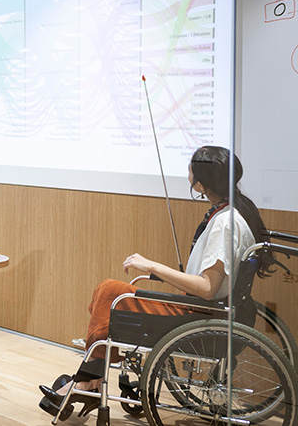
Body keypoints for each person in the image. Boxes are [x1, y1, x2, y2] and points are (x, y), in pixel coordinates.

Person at [38, 145, 268, 419]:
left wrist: (152, 265)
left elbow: (207, 288)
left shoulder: (224, 223)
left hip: (200, 314)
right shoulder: (234, 213)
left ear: (201, 183)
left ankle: (89, 379)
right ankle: (90, 378)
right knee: (108, 290)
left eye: (189, 171)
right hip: (207, 310)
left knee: (111, 291)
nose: (187, 175)